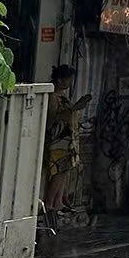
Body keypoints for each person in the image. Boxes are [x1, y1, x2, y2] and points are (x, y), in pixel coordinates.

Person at [43, 64, 87, 214]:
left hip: (67, 140)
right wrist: (73, 109)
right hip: (58, 141)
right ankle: (50, 203)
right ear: (60, 80)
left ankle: (58, 201)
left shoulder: (62, 96)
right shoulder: (52, 97)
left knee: (65, 171)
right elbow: (53, 118)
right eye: (68, 79)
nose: (70, 83)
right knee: (58, 172)